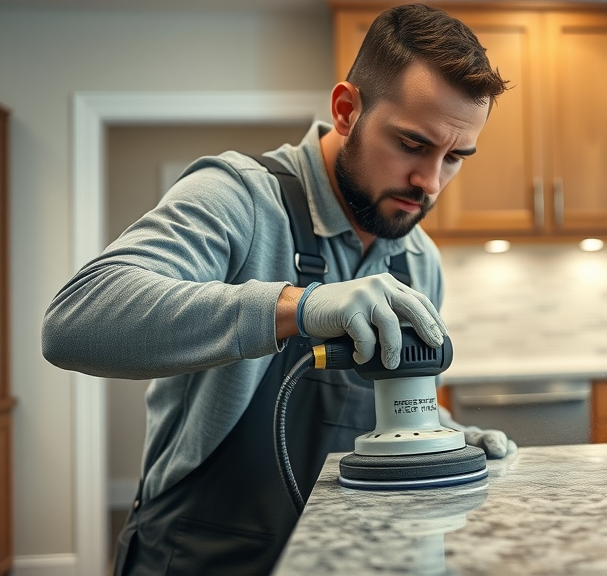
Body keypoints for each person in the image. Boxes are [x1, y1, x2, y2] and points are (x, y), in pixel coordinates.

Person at [41, 4, 515, 575]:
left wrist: (445, 438)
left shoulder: (418, 261)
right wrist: (299, 306)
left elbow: (384, 417)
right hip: (201, 555)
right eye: (412, 145)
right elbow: (74, 322)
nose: (431, 182)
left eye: (455, 157)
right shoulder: (240, 198)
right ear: (346, 110)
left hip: (341, 558)